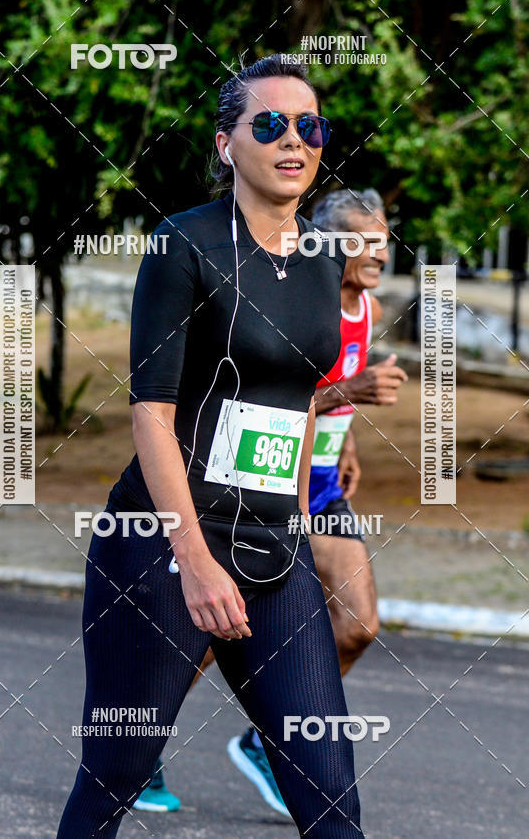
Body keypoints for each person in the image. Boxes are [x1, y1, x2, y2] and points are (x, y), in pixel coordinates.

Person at [56, 54, 365, 838]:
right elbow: (151, 415)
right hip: (163, 551)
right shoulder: (182, 244)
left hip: (273, 552)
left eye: (309, 126)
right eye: (269, 124)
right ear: (228, 144)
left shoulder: (325, 264)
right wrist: (193, 559)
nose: (293, 140)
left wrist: (297, 521)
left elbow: (294, 406)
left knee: (331, 802)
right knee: (112, 782)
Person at [226, 189, 408, 817]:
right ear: (329, 245)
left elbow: (329, 395)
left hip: (323, 484)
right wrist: (350, 391)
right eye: (365, 240)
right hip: (272, 483)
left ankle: (260, 740)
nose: (380, 251)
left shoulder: (367, 305)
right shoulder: (302, 303)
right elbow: (281, 398)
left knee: (358, 626)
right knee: (203, 636)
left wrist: (347, 440)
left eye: (383, 238)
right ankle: (137, 752)